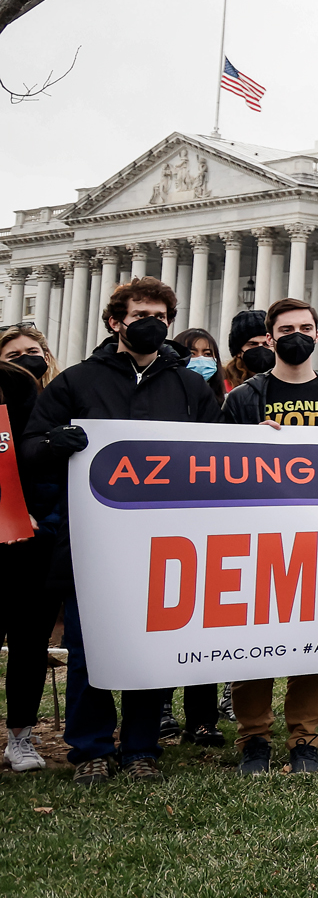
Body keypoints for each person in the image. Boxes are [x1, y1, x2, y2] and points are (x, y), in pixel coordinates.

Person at [22, 277, 222, 784]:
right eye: (140, 317)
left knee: (148, 650)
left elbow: (220, 456)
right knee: (89, 651)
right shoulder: (75, 383)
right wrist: (54, 442)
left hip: (163, 544)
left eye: (161, 317)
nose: (152, 325)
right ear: (115, 322)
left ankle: (140, 747)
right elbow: (29, 453)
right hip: (92, 544)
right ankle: (90, 747)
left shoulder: (190, 387)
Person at [219, 296, 318, 775]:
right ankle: (253, 736)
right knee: (252, 636)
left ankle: (306, 738)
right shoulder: (242, 399)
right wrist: (251, 443)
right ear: (270, 337)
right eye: (285, 328)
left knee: (311, 638)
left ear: (316, 335)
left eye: (305, 326)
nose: (295, 334)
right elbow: (217, 468)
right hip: (257, 531)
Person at [0, 326, 64, 773]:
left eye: (32, 352)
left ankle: (20, 736)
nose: (26, 360)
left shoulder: (59, 401)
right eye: (14, 354)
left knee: (29, 642)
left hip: (39, 541)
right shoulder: (12, 396)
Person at [219, 309, 273, 393]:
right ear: (238, 352)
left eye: (266, 344)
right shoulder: (222, 385)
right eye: (253, 344)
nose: (261, 349)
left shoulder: (287, 379)